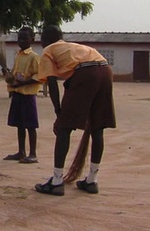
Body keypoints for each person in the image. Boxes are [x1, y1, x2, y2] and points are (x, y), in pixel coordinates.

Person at [34, 25, 116, 196]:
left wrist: (59, 111)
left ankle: (57, 181)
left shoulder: (49, 50)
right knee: (97, 128)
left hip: (86, 73)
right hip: (105, 70)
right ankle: (92, 180)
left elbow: (51, 83)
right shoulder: (73, 47)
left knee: (64, 129)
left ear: (44, 40)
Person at [1, 27, 41, 164]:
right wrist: (7, 75)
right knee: (19, 124)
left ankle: (33, 153)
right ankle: (21, 151)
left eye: (25, 38)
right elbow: (14, 75)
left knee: (30, 125)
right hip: (17, 94)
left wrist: (22, 84)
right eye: (19, 38)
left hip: (28, 96)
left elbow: (38, 76)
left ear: (32, 39)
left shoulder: (34, 57)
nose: (21, 41)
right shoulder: (18, 55)